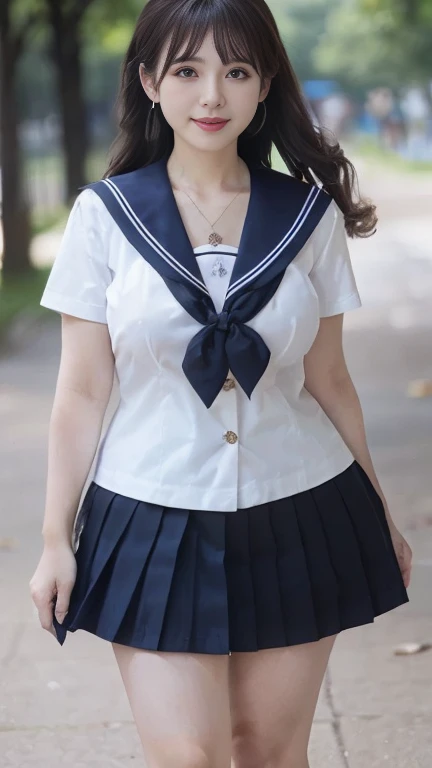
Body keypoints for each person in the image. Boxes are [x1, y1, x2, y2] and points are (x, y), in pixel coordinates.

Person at [29, 1, 412, 766]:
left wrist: (379, 509)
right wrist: (52, 539)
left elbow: (330, 379)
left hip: (301, 504)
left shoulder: (307, 217)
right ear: (148, 81)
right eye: (187, 70)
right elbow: (80, 392)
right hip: (149, 513)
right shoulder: (104, 218)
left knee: (270, 753)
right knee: (189, 758)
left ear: (264, 83)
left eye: (236, 71)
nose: (212, 96)